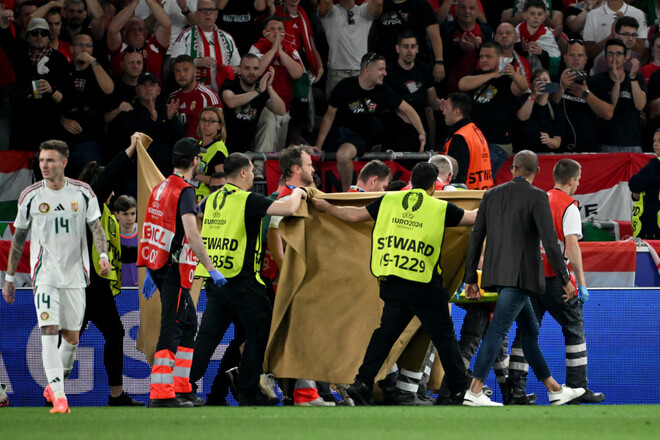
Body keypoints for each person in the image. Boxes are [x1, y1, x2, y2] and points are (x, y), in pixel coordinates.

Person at [310, 162, 477, 406]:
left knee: (385, 334)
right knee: (444, 337)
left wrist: (325, 206)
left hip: (393, 281)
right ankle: (460, 390)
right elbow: (473, 218)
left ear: (411, 182)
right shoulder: (440, 207)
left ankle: (362, 382)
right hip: (424, 284)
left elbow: (353, 215)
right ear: (433, 186)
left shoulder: (389, 200)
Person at [462, 150, 585, 406]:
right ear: (537, 171)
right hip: (521, 277)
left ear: (513, 168)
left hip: (496, 274)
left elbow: (476, 236)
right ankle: (474, 391)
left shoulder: (491, 195)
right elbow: (550, 243)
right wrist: (565, 280)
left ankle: (554, 389)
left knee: (530, 332)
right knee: (498, 330)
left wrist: (470, 277)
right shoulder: (537, 196)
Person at [190, 152, 307, 406]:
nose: (254, 175)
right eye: (252, 170)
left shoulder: (212, 199)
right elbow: (288, 208)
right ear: (243, 172)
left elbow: (196, 214)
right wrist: (299, 191)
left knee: (207, 339)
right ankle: (248, 391)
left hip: (216, 279)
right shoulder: (247, 199)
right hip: (243, 281)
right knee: (260, 330)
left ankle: (183, 387)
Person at [3, 140, 111, 414]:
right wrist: (10, 278)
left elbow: (96, 227)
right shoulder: (30, 195)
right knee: (49, 331)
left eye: (50, 160)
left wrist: (103, 255)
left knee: (72, 338)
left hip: (76, 276)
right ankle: (60, 397)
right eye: (41, 160)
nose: (44, 165)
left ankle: (54, 386)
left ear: (64, 162)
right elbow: (19, 238)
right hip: (45, 276)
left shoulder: (82, 192)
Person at [137, 137, 228, 408]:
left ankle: (181, 387)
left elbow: (152, 227)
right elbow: (191, 233)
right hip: (175, 269)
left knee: (188, 324)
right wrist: (211, 268)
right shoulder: (185, 191)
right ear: (195, 161)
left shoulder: (161, 187)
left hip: (162, 266)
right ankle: (161, 392)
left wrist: (151, 268)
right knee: (172, 328)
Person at [507, 158, 606, 405]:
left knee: (525, 333)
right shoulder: (569, 206)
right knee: (574, 327)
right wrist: (581, 282)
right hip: (555, 279)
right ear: (571, 180)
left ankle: (515, 391)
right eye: (578, 180)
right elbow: (571, 246)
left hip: (530, 277)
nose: (578, 184)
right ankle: (577, 388)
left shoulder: (539, 199)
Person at [77, 134, 142, 407]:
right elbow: (109, 176)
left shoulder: (105, 215)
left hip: (96, 285)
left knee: (111, 334)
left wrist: (149, 258)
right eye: (109, 189)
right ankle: (53, 391)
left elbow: (118, 254)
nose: (113, 194)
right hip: (86, 284)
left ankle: (116, 395)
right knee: (75, 339)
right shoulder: (88, 204)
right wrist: (131, 149)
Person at [315, 52, 426, 192]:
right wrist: (318, 145)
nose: (385, 73)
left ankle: (347, 195)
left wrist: (421, 133)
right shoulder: (344, 86)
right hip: (337, 134)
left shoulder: (383, 90)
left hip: (361, 137)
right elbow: (328, 117)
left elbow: (408, 109)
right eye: (381, 69)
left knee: (343, 155)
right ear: (367, 69)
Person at [0, 16, 70, 152]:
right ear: (27, 37)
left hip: (50, 126)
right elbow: (6, 42)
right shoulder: (19, 55)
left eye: (43, 33)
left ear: (49, 37)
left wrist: (51, 90)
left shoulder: (59, 60)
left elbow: (68, 98)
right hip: (22, 126)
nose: (39, 36)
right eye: (34, 33)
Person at [459, 41, 528, 158]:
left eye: (488, 56)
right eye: (481, 56)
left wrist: (514, 75)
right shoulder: (477, 74)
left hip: (497, 144)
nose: (484, 60)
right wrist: (492, 75)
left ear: (500, 57)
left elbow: (523, 87)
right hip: (475, 141)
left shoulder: (507, 78)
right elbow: (462, 84)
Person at [60, 32, 114, 179]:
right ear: (71, 48)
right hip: (66, 141)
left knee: (91, 182)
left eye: (88, 45)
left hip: (91, 140)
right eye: (80, 45)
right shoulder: (64, 71)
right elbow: (54, 103)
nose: (84, 49)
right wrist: (63, 120)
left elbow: (109, 89)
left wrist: (92, 61)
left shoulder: (98, 70)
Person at [249, 16, 305, 154]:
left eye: (280, 29)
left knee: (279, 148)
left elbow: (298, 73)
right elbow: (256, 71)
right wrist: (273, 50)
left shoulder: (290, 50)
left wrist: (280, 52)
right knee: (267, 133)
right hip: (263, 102)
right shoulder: (257, 47)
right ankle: (261, 164)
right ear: (265, 32)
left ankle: (273, 166)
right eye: (272, 29)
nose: (276, 32)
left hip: (284, 105)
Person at [384, 32, 443, 152]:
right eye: (405, 47)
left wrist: (441, 104)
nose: (409, 51)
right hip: (396, 122)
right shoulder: (388, 72)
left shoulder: (425, 69)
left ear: (417, 49)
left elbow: (432, 100)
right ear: (397, 48)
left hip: (420, 121)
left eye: (413, 46)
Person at [552, 38, 613, 152]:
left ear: (585, 59)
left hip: (589, 148)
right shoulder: (553, 79)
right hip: (560, 148)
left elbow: (608, 113)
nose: (576, 59)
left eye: (580, 55)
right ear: (565, 57)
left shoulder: (596, 82)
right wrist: (562, 87)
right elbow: (546, 106)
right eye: (572, 55)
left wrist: (586, 94)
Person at [170, 0, 240, 93]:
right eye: (203, 10)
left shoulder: (228, 38)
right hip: (194, 93)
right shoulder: (185, 35)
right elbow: (174, 62)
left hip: (223, 93)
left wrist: (229, 69)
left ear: (216, 14)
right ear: (196, 14)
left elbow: (238, 67)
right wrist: (195, 62)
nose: (208, 14)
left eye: (211, 10)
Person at [589, 38, 646, 152]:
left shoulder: (637, 77)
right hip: (606, 143)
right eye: (610, 54)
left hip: (633, 143)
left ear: (625, 58)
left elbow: (640, 105)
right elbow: (609, 110)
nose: (615, 58)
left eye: (619, 54)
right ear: (605, 57)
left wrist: (632, 79)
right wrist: (617, 82)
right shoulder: (597, 80)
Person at [221, 54, 286, 153]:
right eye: (247, 68)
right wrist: (258, 91)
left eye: (255, 68)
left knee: (270, 117)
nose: (252, 72)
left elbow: (281, 111)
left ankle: (261, 160)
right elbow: (231, 101)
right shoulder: (230, 84)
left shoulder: (262, 88)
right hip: (226, 147)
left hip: (249, 147)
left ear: (260, 71)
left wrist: (269, 87)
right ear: (239, 70)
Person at [318, 0, 383, 97]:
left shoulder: (363, 10)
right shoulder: (331, 11)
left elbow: (378, 2)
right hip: (337, 74)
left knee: (363, 107)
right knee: (336, 107)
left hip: (361, 73)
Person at [371, 0, 445, 83]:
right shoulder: (381, 5)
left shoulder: (422, 5)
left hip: (414, 66)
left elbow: (435, 37)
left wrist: (439, 61)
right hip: (386, 66)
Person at [107, 0, 171, 79]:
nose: (137, 33)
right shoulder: (119, 49)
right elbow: (112, 30)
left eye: (140, 30)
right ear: (125, 34)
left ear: (145, 33)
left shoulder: (154, 46)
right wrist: (135, 2)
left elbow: (167, 25)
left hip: (153, 86)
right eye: (133, 30)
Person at [441, 92, 494, 189]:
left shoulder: (460, 137)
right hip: (483, 192)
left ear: (457, 112)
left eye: (446, 108)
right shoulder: (475, 131)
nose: (443, 112)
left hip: (467, 194)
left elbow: (458, 177)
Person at [441, 0, 494, 93]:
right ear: (456, 10)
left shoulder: (486, 31)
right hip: (452, 88)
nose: (467, 11)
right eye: (463, 8)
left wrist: (479, 47)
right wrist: (459, 48)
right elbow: (441, 58)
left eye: (471, 8)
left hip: (479, 87)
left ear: (477, 10)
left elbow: (493, 59)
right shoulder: (446, 30)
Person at [168, 54, 222, 139]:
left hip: (202, 147)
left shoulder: (208, 96)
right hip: (177, 146)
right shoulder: (172, 98)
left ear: (195, 72)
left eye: (186, 70)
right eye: (177, 71)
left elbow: (219, 130)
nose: (181, 74)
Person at [514, 68, 565, 153]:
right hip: (523, 153)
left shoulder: (555, 108)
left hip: (544, 154)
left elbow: (557, 143)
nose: (542, 83)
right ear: (531, 85)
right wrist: (533, 95)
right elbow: (522, 117)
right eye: (538, 80)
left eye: (545, 80)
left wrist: (549, 140)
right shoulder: (523, 100)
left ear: (550, 84)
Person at [514, 0, 561, 78]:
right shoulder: (516, 31)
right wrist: (521, 48)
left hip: (540, 78)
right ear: (525, 15)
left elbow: (555, 60)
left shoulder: (547, 35)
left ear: (544, 17)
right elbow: (508, 53)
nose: (536, 17)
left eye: (539, 14)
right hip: (519, 76)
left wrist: (542, 53)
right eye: (532, 14)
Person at [193, 106, 229, 202]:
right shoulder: (199, 144)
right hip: (194, 197)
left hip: (207, 200)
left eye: (212, 121)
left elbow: (222, 181)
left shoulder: (218, 149)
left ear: (219, 125)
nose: (206, 124)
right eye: (203, 120)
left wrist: (194, 175)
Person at [629, 129, 660, 239]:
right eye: (654, 140)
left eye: (659, 141)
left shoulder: (656, 164)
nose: (655, 144)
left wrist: (636, 192)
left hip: (653, 226)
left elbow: (634, 183)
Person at [113, 195, 138, 288]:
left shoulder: (143, 236)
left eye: (133, 214)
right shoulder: (111, 237)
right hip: (116, 289)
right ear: (117, 215)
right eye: (125, 214)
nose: (130, 218)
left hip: (139, 290)